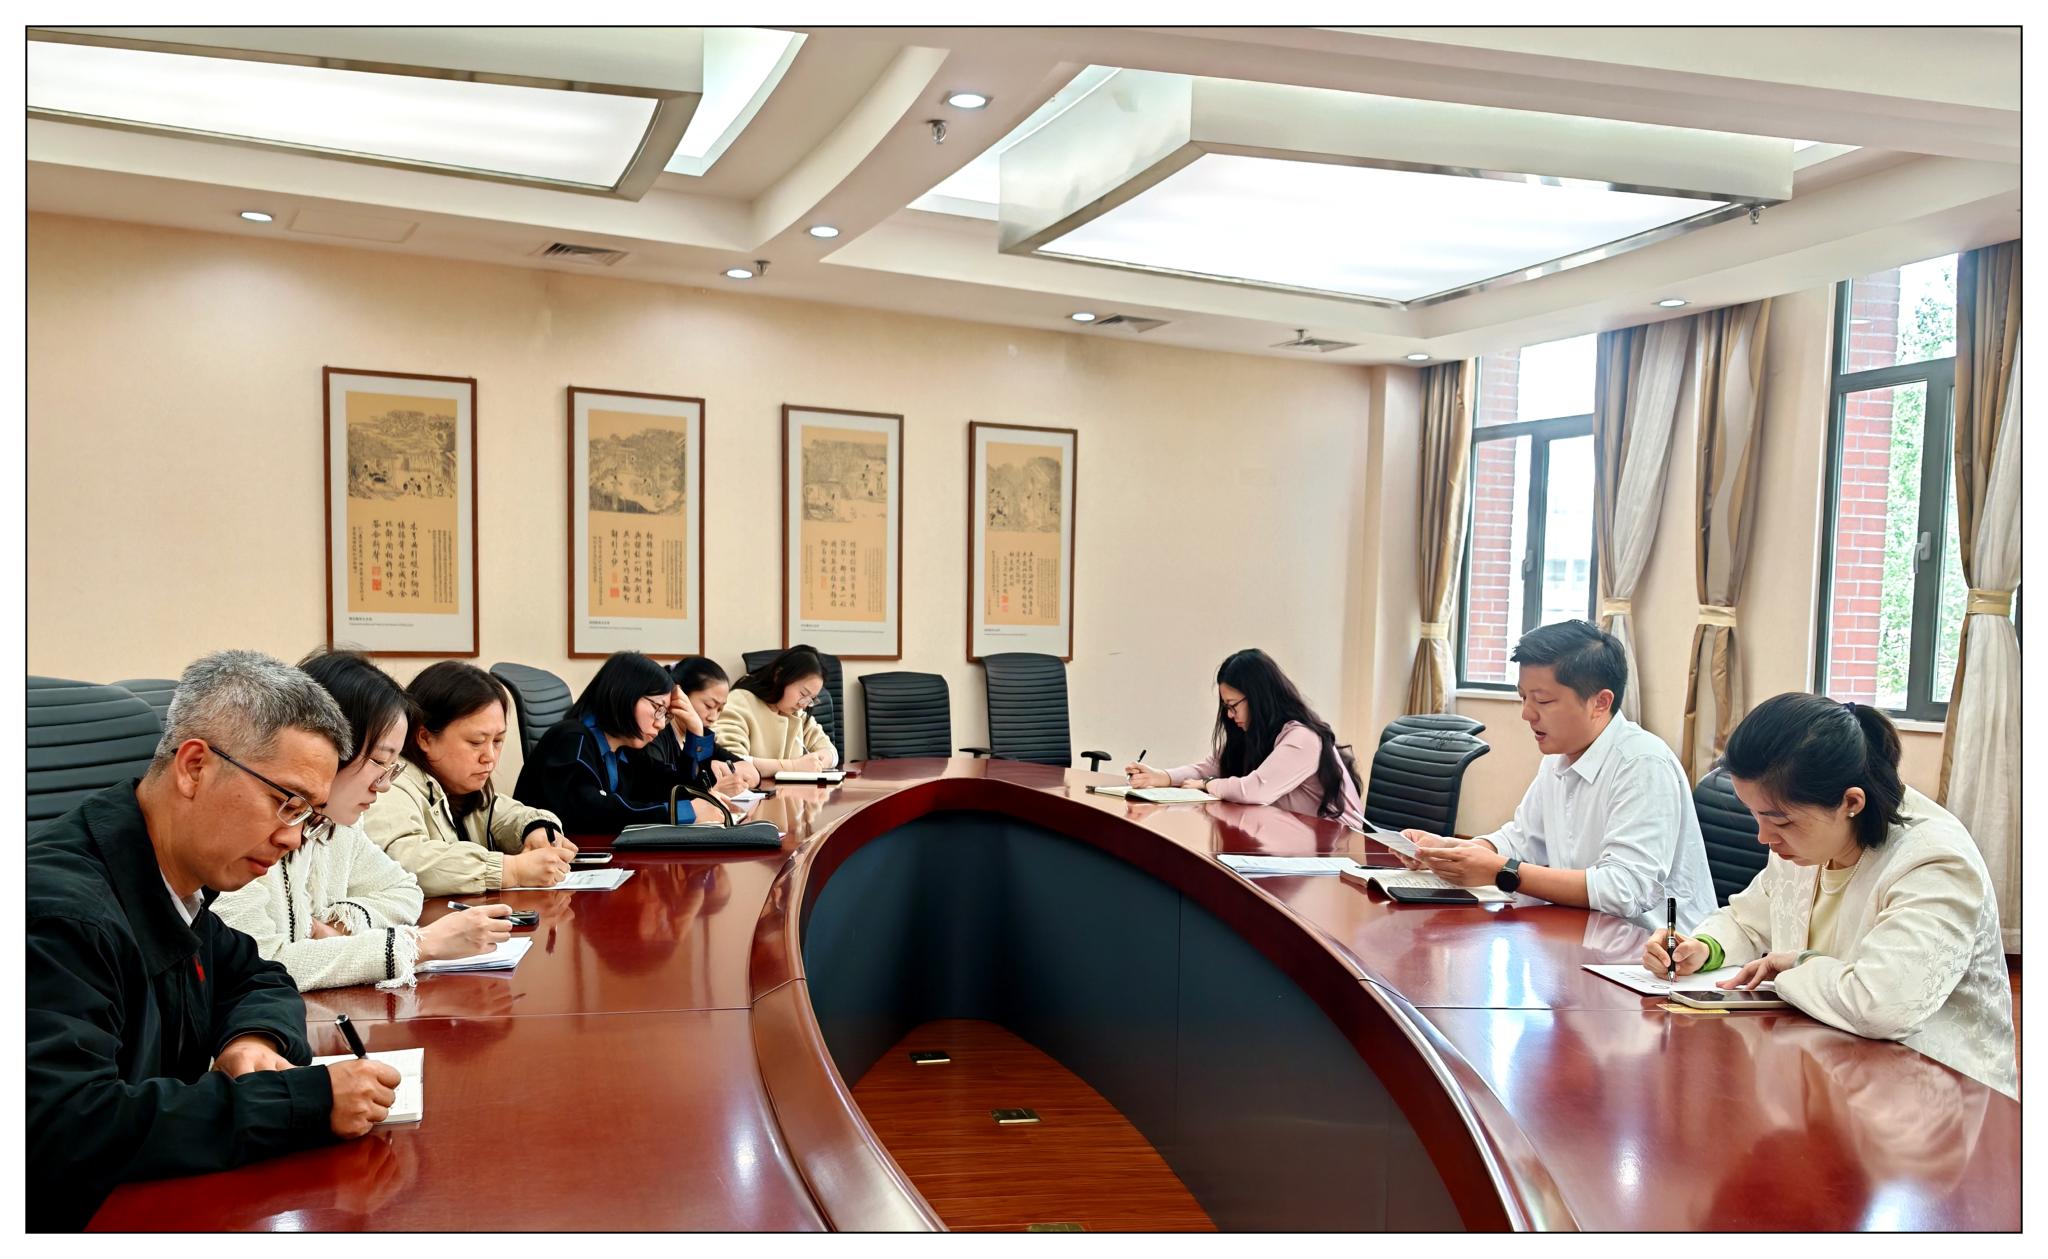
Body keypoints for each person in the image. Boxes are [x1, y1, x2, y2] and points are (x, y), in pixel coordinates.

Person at [27, 650, 401, 1230]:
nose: (293, 838)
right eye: (286, 802)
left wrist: (251, 1040)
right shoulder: (62, 914)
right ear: (195, 766)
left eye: (307, 814)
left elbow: (258, 974)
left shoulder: (173, 885)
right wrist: (303, 1103)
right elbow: (66, 1126)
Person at [1646, 693, 2016, 1097]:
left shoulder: (1933, 861)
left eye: (1779, 822)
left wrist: (1797, 964)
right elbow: (1748, 919)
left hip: (1929, 1095)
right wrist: (1703, 948)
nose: (1763, 837)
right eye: (1755, 816)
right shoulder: (1808, 839)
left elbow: (1882, 1006)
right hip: (1826, 1065)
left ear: (1851, 802)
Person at [214, 649, 514, 990]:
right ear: (328, 745)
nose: (384, 785)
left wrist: (341, 926)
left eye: (392, 767)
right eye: (378, 761)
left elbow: (404, 890)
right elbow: (263, 964)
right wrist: (417, 945)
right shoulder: (245, 835)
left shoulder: (337, 826)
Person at [1399, 620, 1715, 932]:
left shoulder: (1642, 764)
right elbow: (1522, 840)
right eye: (1523, 697)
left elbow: (1624, 890)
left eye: (1543, 700)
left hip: (1655, 951)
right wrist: (1450, 852)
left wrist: (1502, 871)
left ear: (1600, 702)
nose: (1527, 713)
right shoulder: (1559, 756)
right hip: (1584, 936)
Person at [363, 661, 572, 895]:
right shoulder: (392, 784)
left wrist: (536, 830)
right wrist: (510, 870)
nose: (489, 757)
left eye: (498, 741)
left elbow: (505, 814)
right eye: (476, 742)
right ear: (425, 738)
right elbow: (403, 859)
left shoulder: (460, 785)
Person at [1124, 648, 1364, 828]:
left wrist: (1207, 784)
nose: (1230, 715)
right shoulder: (1256, 734)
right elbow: (1211, 766)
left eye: (1233, 705)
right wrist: (1161, 777)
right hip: (1300, 841)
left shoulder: (1302, 738)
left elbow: (1255, 791)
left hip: (1340, 848)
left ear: (1258, 697)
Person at [513, 651, 746, 831]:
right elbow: (591, 812)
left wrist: (695, 731)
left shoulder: (625, 751)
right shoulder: (572, 740)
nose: (660, 724)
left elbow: (677, 789)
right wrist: (681, 813)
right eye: (657, 709)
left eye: (666, 715)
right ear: (623, 694)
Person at [712, 644, 839, 776]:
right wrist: (793, 767)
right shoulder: (740, 702)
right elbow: (731, 762)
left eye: (811, 699)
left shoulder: (796, 713)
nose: (804, 704)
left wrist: (820, 761)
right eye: (803, 694)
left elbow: (832, 753)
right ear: (779, 675)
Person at [668, 655, 762, 793]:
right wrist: (714, 791)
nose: (713, 717)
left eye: (719, 709)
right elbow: (678, 793)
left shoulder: (705, 737)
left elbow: (753, 773)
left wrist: (729, 770)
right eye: (709, 705)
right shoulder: (658, 735)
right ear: (680, 694)